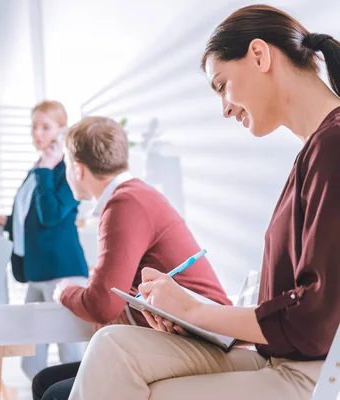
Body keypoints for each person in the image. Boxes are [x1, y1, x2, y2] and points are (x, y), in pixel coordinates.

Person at [68, 5, 340, 399]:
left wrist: (196, 311)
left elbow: (316, 318)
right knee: (113, 346)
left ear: (260, 56)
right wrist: (189, 313)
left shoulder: (332, 147)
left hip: (315, 374)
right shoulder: (315, 151)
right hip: (284, 358)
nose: (225, 108)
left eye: (221, 85)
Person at [32, 116, 231, 400]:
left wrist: (65, 292)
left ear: (77, 169)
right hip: (182, 337)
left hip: (201, 341)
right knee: (46, 381)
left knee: (53, 391)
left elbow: (102, 304)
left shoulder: (125, 203)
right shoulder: (133, 195)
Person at [0, 100, 88, 379]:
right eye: (34, 127)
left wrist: (47, 168)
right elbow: (33, 215)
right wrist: (5, 220)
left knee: (72, 355)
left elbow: (52, 215)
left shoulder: (67, 167)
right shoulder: (38, 167)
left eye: (45, 126)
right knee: (31, 360)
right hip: (37, 272)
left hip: (63, 271)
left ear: (61, 131)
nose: (37, 133)